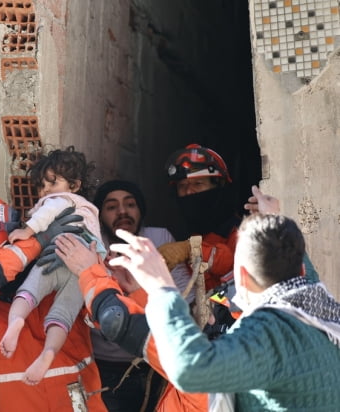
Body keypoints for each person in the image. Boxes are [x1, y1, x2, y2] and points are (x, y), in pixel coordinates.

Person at [107, 198, 340, 410]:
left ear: (242, 276)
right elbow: (304, 269)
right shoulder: (319, 306)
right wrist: (270, 218)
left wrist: (161, 287)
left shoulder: (269, 332)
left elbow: (191, 370)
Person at [0, 195, 107, 412]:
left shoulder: (53, 266)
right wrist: (38, 242)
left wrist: (84, 264)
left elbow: (106, 318)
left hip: (79, 400)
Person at [0, 146, 106, 385]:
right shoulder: (89, 212)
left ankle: (16, 320)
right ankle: (49, 352)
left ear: (74, 186)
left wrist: (27, 230)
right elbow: (99, 247)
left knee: (28, 293)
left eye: (52, 182)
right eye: (41, 186)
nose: (45, 190)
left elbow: (47, 214)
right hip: (83, 268)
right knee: (63, 315)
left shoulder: (62, 200)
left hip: (60, 250)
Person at [89, 180, 192, 411]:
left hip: (154, 363)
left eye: (130, 204)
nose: (122, 211)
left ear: (140, 210)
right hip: (104, 366)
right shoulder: (92, 245)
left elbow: (186, 294)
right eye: (112, 206)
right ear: (100, 215)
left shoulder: (157, 239)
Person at [159, 143, 241, 291]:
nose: (189, 192)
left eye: (198, 183)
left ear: (218, 188)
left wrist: (192, 250)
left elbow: (239, 280)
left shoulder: (243, 231)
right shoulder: (176, 234)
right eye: (182, 186)